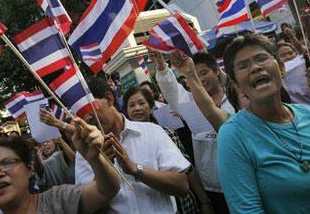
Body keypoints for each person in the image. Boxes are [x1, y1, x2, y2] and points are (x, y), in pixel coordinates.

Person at [217, 34, 310, 213]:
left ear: (282, 68)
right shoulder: (233, 135)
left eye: (261, 59)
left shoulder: (308, 114)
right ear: (236, 84)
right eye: (243, 66)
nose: (255, 68)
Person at [75, 76, 191, 213]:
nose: (87, 117)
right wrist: (100, 168)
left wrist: (135, 169)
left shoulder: (152, 132)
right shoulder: (86, 153)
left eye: (88, 108)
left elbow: (182, 186)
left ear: (109, 98)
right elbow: (86, 207)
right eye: (79, 113)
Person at [152, 49, 233, 214]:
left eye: (204, 73)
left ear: (217, 71)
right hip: (213, 186)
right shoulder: (190, 102)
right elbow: (171, 90)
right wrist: (161, 66)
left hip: (242, 178)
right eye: (195, 74)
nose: (201, 79)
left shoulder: (235, 97)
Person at [0, 118, 120, 214]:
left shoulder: (59, 200)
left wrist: (96, 159)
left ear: (29, 169)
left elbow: (106, 191)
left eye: (7, 163)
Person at [123, 86, 214, 214]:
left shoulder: (167, 133)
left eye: (141, 103)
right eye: (131, 105)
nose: (137, 108)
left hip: (183, 204)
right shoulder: (124, 142)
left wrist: (204, 201)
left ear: (150, 108)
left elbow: (188, 170)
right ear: (126, 111)